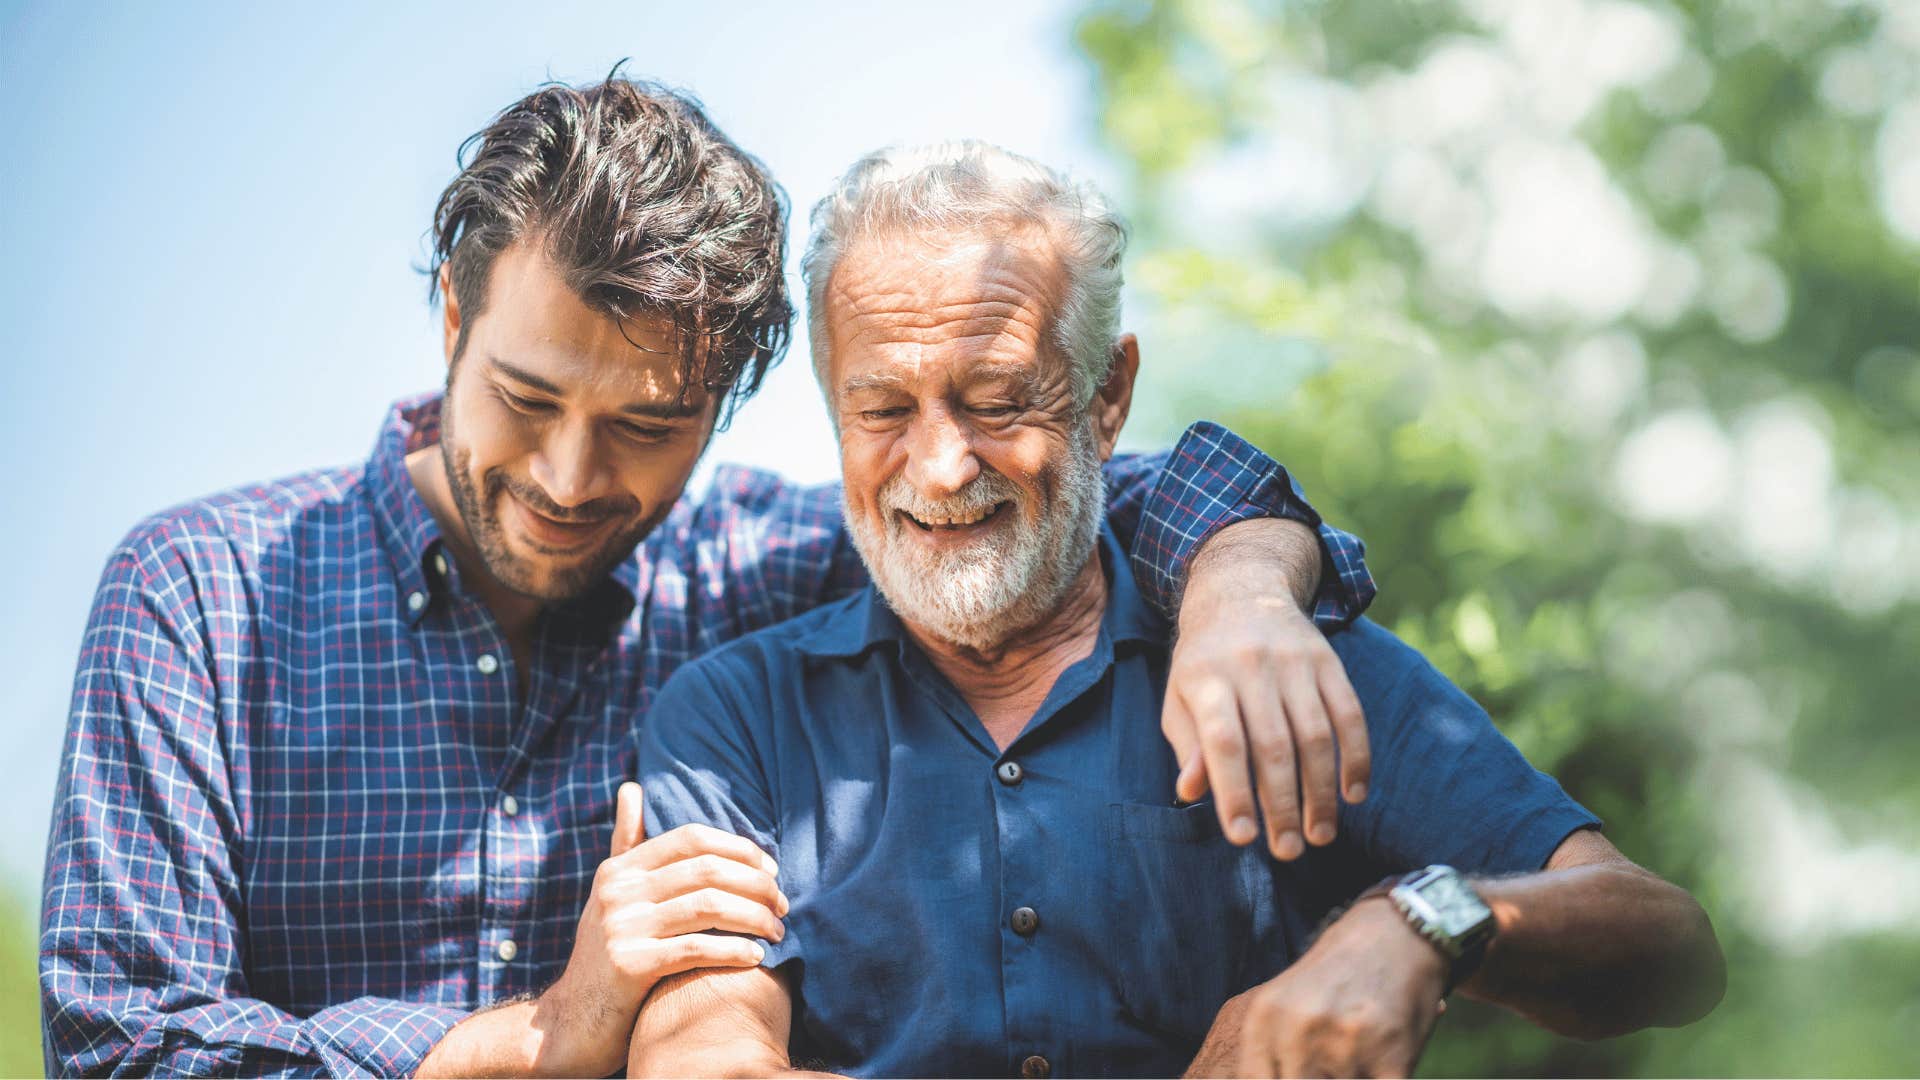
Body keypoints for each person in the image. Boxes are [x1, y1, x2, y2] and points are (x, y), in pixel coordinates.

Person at [39, 79, 1381, 1078]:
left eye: (645, 426)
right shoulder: (197, 598)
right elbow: (118, 1049)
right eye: (524, 397)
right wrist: (534, 1039)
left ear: (727, 405)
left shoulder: (764, 565)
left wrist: (1244, 589)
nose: (570, 478)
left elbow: (1056, 494)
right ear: (454, 317)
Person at [630, 141, 1728, 1079]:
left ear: (1107, 396)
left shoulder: (1279, 660)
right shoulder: (736, 714)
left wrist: (1421, 922)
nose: (942, 466)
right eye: (881, 408)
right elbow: (699, 1052)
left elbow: (1668, 945)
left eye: (998, 400)